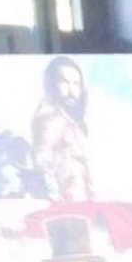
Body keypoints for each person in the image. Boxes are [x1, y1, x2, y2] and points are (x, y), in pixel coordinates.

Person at [31, 56, 93, 201]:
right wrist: (57, 200)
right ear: (52, 84)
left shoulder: (74, 121)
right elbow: (42, 162)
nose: (72, 89)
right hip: (66, 202)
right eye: (64, 82)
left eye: (76, 83)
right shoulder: (51, 118)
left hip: (82, 198)